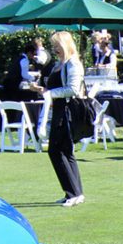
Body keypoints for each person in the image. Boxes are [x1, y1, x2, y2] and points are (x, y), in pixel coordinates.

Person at [40, 31, 85, 207]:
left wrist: (51, 93)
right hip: (59, 110)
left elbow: (73, 89)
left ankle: (72, 192)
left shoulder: (73, 63)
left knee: (56, 151)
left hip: (67, 111)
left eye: (57, 46)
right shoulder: (59, 64)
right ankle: (74, 192)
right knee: (65, 151)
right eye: (54, 46)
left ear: (65, 45)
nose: (55, 49)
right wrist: (43, 91)